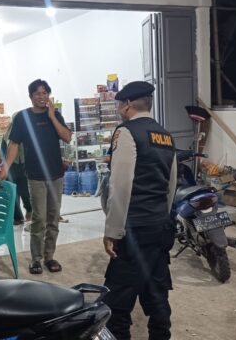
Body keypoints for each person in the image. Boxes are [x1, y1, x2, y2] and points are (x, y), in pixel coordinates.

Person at [101, 81, 177, 340]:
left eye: (119, 105)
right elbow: (171, 185)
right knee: (156, 292)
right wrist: (161, 217)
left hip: (133, 229)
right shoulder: (165, 135)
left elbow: (120, 185)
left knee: (117, 299)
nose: (118, 109)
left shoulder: (126, 132)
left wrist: (112, 230)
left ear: (128, 105)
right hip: (159, 226)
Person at [0, 79, 72, 274]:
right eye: (37, 93)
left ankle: (50, 257)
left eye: (45, 93)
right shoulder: (23, 117)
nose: (42, 96)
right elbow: (14, 144)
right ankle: (36, 259)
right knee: (39, 218)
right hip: (35, 175)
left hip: (56, 174)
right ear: (30, 96)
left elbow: (67, 137)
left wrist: (52, 116)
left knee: (53, 218)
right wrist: (5, 168)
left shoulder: (55, 114)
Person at [0, 116, 33, 225]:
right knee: (12, 193)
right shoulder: (7, 134)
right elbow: (2, 152)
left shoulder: (28, 133)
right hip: (11, 167)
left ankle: (29, 211)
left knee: (25, 192)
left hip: (25, 165)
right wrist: (1, 168)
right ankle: (17, 217)